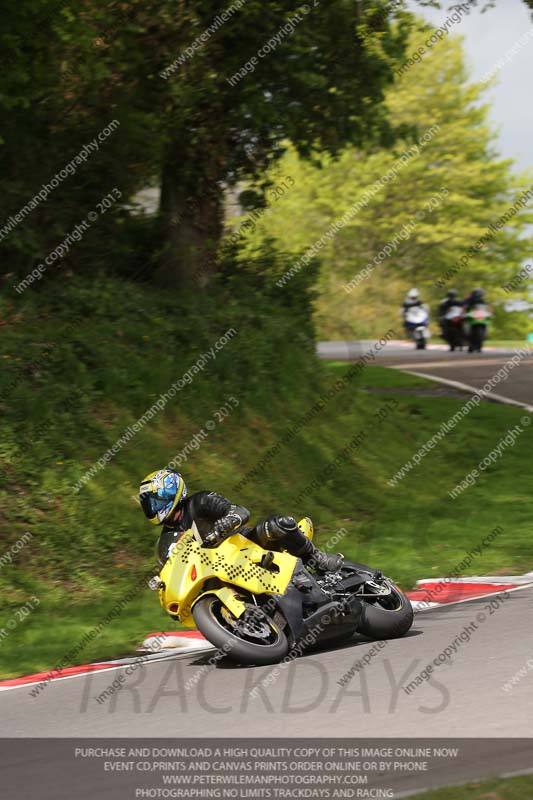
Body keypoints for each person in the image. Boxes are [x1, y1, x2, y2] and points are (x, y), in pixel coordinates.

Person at [139, 469, 343, 573]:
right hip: (215, 570)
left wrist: (227, 521)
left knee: (278, 524)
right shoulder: (168, 536)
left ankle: (316, 558)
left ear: (170, 492)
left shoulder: (200, 501)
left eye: (155, 501)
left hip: (246, 546)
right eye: (149, 504)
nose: (152, 508)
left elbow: (239, 510)